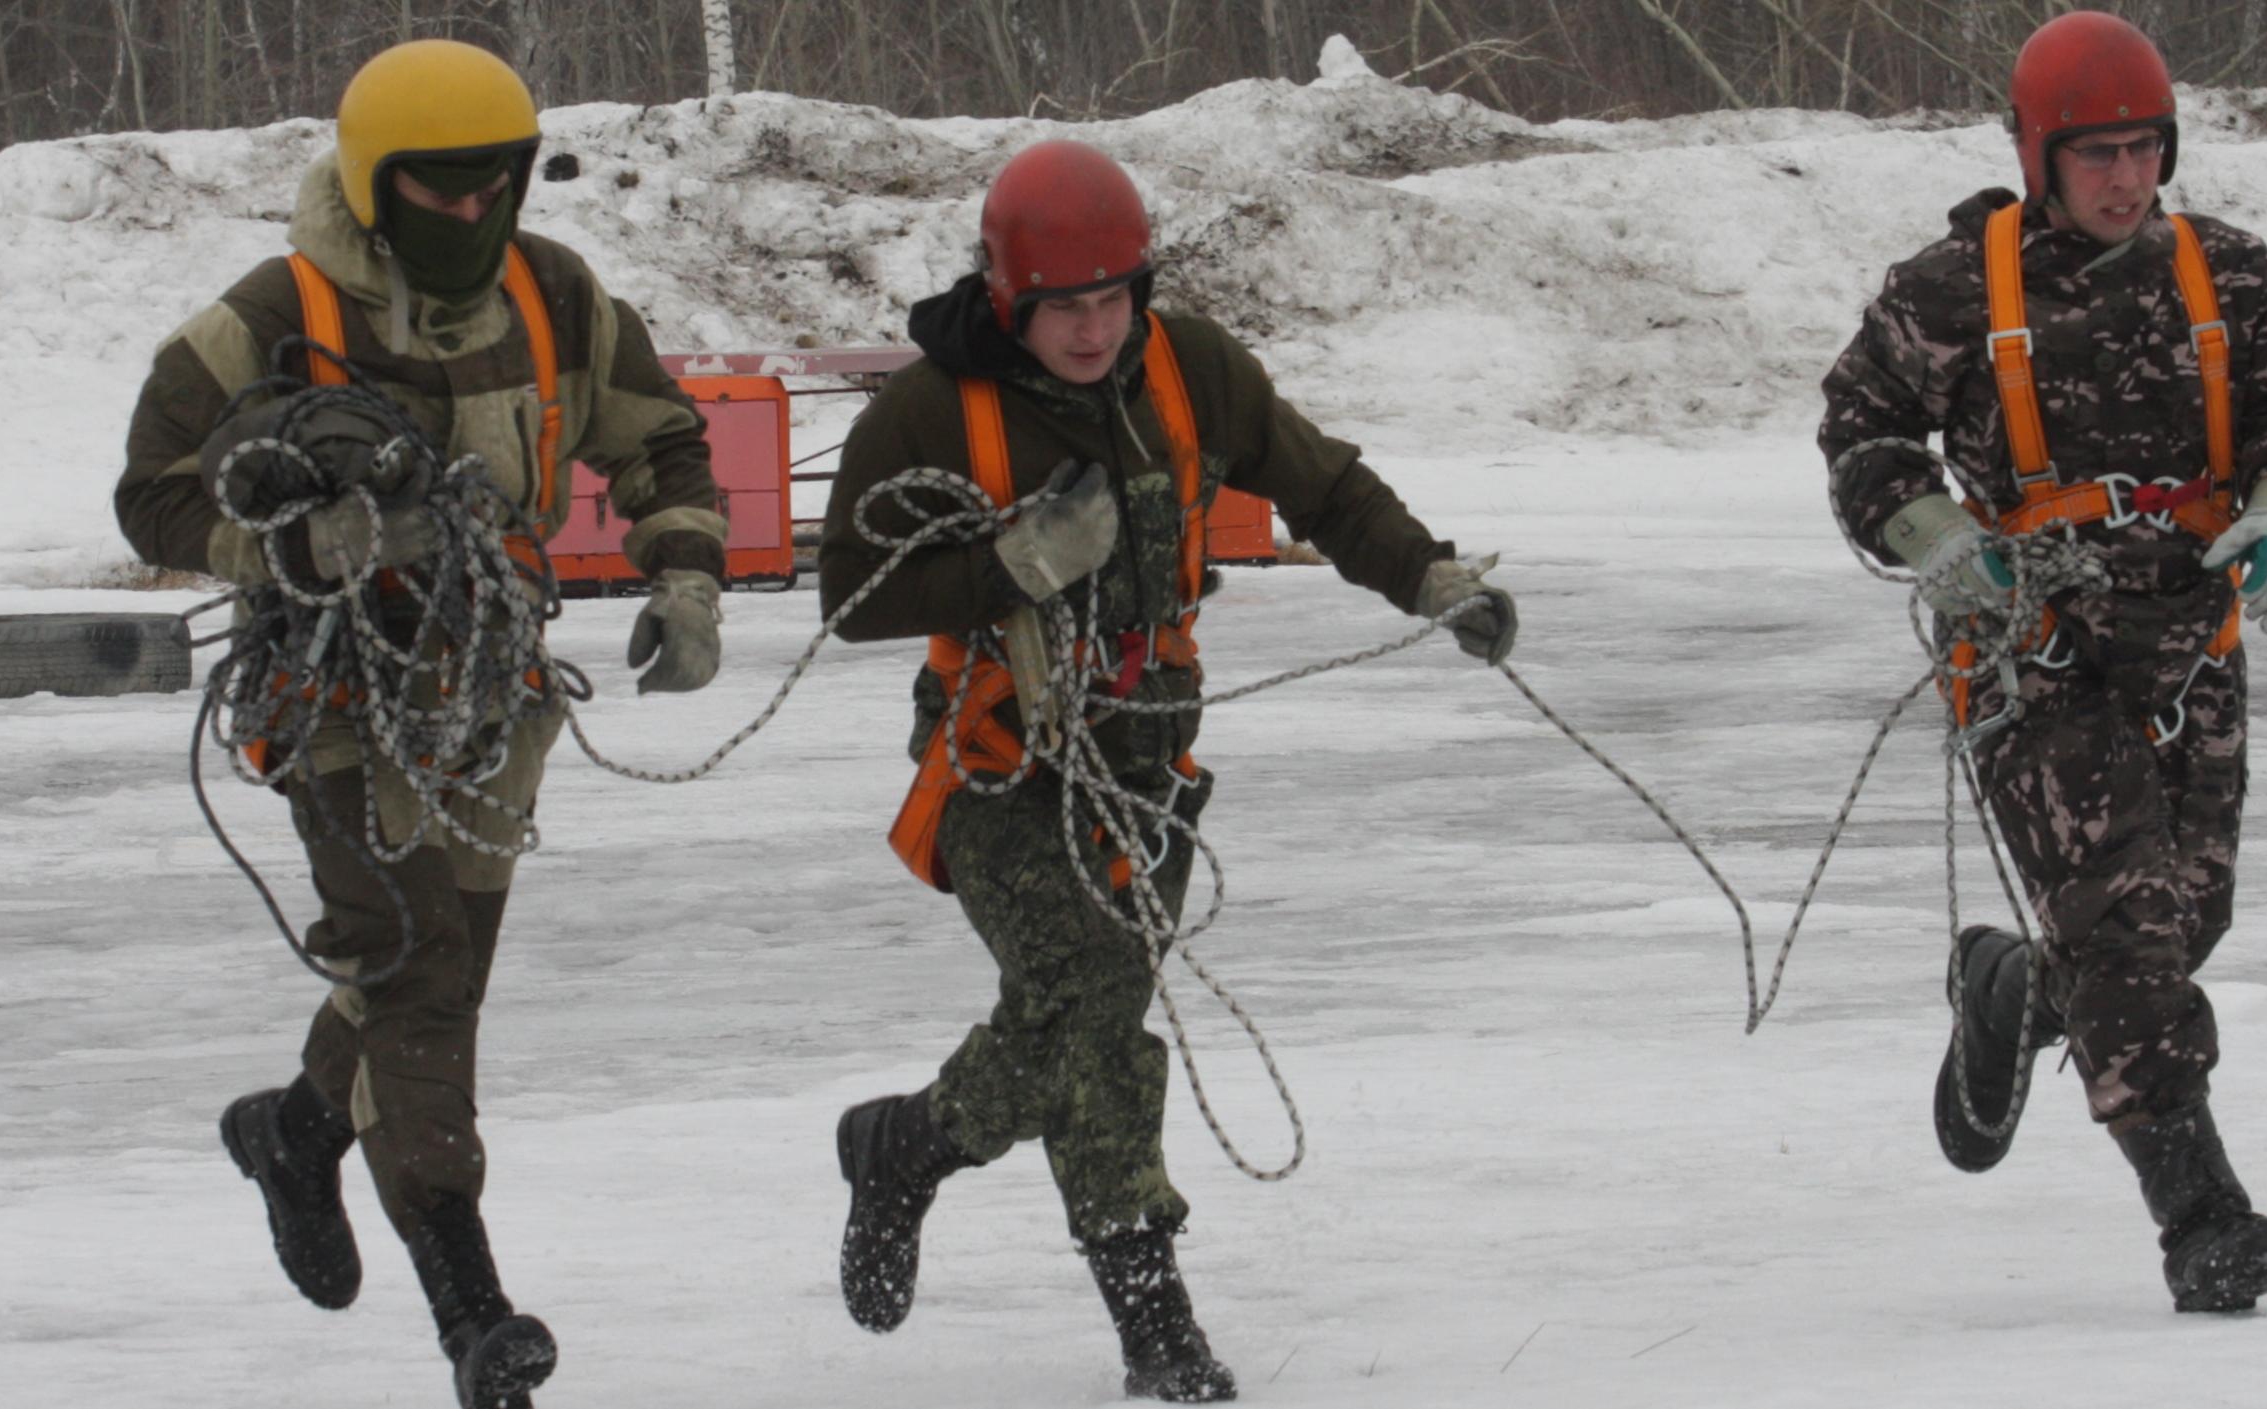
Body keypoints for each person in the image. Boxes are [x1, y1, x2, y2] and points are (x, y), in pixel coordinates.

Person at [812, 139, 1515, 1402]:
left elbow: (1326, 486)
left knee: (1077, 1024)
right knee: (1088, 999)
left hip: (1148, 759)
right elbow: (850, 594)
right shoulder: (931, 411)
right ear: (1008, 297)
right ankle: (1156, 1322)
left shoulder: (1191, 369)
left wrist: (1430, 574)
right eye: (1061, 307)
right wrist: (1015, 565)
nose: (1091, 329)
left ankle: (907, 1144)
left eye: (1110, 298)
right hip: (998, 766)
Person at [108, 38, 728, 1409]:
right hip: (335, 700)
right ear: (376, 187)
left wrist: (684, 571)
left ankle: (296, 1130)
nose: (471, 217)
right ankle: (472, 1309)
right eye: (440, 194)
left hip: (490, 697)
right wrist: (282, 547)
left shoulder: (557, 294)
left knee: (429, 972)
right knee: (418, 973)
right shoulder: (273, 312)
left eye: (494, 188)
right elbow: (150, 491)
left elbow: (661, 436)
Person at [1820, 9, 2267, 1314]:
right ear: (2038, 157)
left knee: (2187, 918)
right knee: (2127, 928)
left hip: (2190, 642)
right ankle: (2203, 1219)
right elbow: (1861, 430)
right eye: (2097, 154)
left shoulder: (2231, 275)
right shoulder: (1947, 292)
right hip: (2029, 647)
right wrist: (1935, 534)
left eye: (2144, 150)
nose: (2126, 179)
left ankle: (2014, 980)